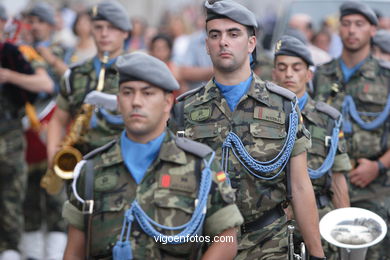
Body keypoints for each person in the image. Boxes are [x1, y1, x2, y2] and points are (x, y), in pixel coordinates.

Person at [174, 1, 325, 259]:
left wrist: (316, 252)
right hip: (206, 242)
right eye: (215, 35)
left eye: (233, 34)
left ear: (251, 43)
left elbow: (300, 185)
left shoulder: (283, 105)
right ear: (206, 45)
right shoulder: (184, 109)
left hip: (268, 242)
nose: (223, 41)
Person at [62, 52, 243, 260]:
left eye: (147, 93)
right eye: (128, 92)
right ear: (119, 100)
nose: (136, 102)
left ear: (167, 102)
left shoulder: (200, 167)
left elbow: (227, 239)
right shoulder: (91, 169)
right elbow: (74, 250)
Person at [313, 2, 390, 259]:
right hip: (328, 185)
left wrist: (378, 166)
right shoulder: (321, 75)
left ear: (372, 30)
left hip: (374, 187)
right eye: (346, 24)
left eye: (359, 24)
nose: (351, 31)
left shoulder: (386, 77)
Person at [272, 35, 352, 260]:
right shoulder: (262, 117)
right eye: (282, 67)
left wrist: (344, 228)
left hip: (319, 218)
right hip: (275, 224)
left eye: (296, 68)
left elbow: (337, 179)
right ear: (274, 73)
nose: (289, 74)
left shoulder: (328, 119)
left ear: (308, 74)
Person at [46, 0, 131, 183]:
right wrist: (53, 154)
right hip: (81, 165)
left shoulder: (139, 72)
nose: (104, 33)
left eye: (112, 28)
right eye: (98, 27)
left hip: (124, 165)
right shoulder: (75, 73)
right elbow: (59, 120)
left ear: (125, 32)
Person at [0, 3, 52, 260]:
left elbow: (45, 83)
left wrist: (8, 75)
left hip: (10, 138)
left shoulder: (12, 52)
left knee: (13, 205)